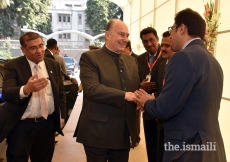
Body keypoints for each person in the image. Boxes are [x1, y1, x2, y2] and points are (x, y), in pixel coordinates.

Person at [135, 8, 226, 162]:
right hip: (210, 146)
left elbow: (165, 108)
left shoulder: (183, 57)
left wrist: (146, 101)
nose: (170, 35)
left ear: (182, 29)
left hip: (188, 149)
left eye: (172, 29)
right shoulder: (213, 61)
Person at [74, 19, 140, 162]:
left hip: (123, 132)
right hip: (97, 132)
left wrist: (141, 99)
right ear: (107, 35)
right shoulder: (90, 57)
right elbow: (92, 89)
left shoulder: (131, 61)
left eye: (127, 36)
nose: (125, 39)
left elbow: (134, 89)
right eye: (121, 34)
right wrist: (125, 95)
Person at [1, 32, 66, 162]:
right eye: (33, 48)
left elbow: (60, 93)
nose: (39, 51)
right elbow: (7, 93)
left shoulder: (53, 65)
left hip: (48, 125)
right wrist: (26, 89)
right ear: (23, 50)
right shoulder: (13, 66)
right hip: (22, 126)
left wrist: (62, 116)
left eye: (41, 46)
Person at [136, 27, 165, 162]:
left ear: (157, 39)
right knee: (151, 146)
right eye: (145, 41)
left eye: (151, 40)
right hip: (147, 109)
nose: (149, 44)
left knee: (163, 146)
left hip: (163, 108)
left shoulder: (166, 55)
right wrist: (140, 86)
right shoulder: (140, 59)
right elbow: (134, 81)